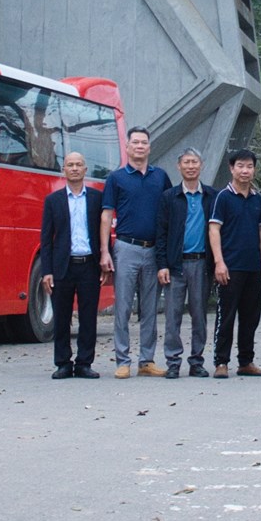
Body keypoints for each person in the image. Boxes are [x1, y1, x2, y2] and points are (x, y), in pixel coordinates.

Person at [100, 126, 171, 378]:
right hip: (126, 248)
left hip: (153, 250)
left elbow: (169, 212)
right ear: (128, 147)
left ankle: (147, 360)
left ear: (150, 147)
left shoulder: (160, 177)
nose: (140, 146)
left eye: (144, 142)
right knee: (123, 306)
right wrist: (105, 251)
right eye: (135, 142)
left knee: (151, 308)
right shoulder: (116, 178)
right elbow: (107, 215)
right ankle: (122, 359)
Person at [38, 150, 105, 379]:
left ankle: (84, 362)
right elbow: (46, 240)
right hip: (62, 267)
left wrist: (105, 261)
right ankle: (63, 363)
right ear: (63, 170)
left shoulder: (97, 199)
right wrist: (47, 271)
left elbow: (103, 232)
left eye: (79, 164)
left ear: (86, 169)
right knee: (62, 317)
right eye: (70, 165)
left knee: (88, 317)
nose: (75, 168)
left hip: (89, 264)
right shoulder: (53, 201)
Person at [158, 147, 219, 379]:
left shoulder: (212, 196)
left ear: (201, 165)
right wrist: (162, 264)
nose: (191, 166)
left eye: (194, 162)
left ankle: (197, 361)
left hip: (201, 264)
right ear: (179, 166)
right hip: (175, 265)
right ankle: (173, 362)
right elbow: (161, 232)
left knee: (199, 315)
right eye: (186, 162)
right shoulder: (169, 197)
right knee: (172, 316)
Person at [208, 148, 261, 377]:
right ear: (231, 169)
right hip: (230, 266)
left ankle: (246, 361)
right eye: (240, 166)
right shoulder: (223, 197)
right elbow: (214, 230)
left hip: (253, 266)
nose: (245, 170)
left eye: (249, 166)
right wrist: (219, 262)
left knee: (250, 317)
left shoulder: (257, 199)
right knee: (226, 316)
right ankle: (221, 362)